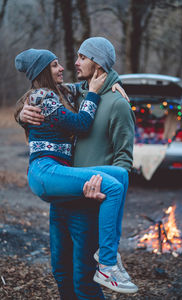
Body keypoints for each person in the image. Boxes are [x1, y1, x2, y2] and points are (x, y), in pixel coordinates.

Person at [15, 37, 136, 299]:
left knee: (84, 279)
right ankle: (108, 260)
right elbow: (39, 94)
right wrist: (21, 113)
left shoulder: (117, 103)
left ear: (98, 62)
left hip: (87, 196)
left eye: (82, 57)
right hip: (63, 190)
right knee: (61, 271)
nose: (74, 62)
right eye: (74, 57)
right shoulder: (76, 93)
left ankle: (108, 260)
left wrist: (117, 83)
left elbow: (124, 160)